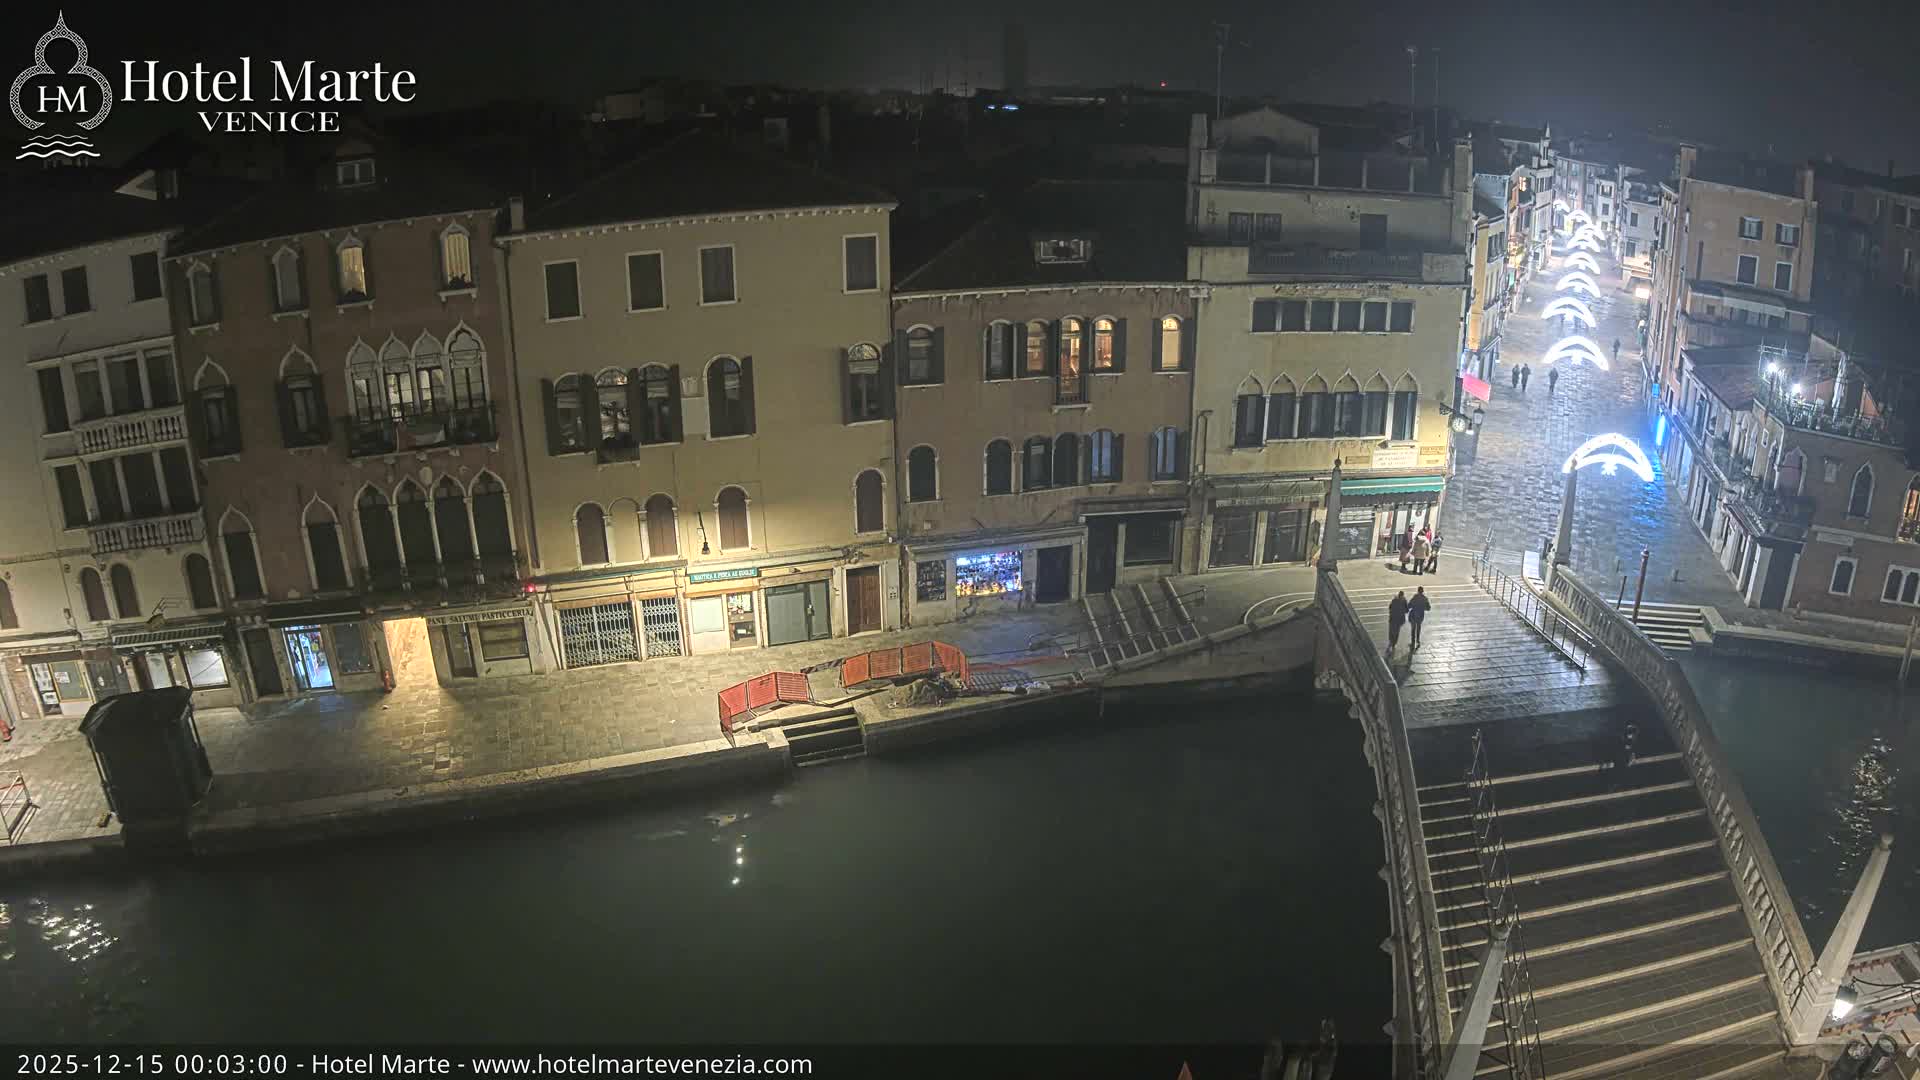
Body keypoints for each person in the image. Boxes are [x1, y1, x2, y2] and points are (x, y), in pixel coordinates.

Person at [1408, 586, 1431, 651]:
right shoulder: (1425, 598)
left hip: (1413, 615)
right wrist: (1423, 607)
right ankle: (1418, 640)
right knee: (1418, 627)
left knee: (1413, 628)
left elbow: (1409, 605)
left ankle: (1413, 641)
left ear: (1418, 591)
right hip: (1420, 615)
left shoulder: (1415, 597)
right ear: (1422, 591)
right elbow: (1428, 608)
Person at [1387, 590, 1409, 657]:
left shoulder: (1394, 600)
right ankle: (1394, 643)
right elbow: (1407, 610)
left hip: (1393, 618)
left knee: (1391, 630)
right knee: (1397, 631)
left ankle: (1391, 641)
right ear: (1402, 595)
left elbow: (1390, 607)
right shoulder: (1404, 601)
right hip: (1399, 619)